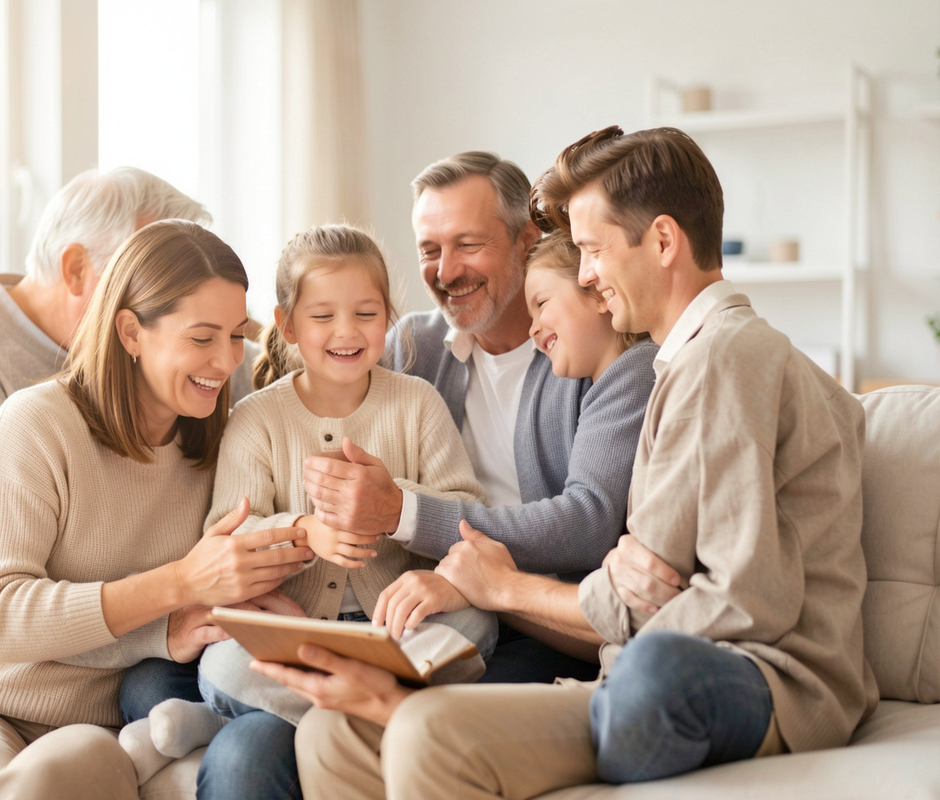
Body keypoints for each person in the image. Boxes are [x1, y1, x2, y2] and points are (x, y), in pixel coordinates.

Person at [259, 126, 877, 798]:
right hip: (634, 671)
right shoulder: (686, 365)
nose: (583, 273)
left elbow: (730, 600)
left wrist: (508, 587)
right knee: (330, 734)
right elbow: (643, 581)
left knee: (434, 728)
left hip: (751, 682)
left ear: (662, 242)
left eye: (592, 251)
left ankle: (417, 715)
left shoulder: (723, 359)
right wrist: (620, 579)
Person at [0, 220, 314, 800]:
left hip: (95, 727)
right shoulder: (37, 424)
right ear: (131, 332)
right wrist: (180, 583)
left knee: (85, 760)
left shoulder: (221, 444)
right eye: (202, 338)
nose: (225, 361)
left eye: (236, 336)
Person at [120, 224, 494, 800]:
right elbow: (228, 532)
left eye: (366, 314)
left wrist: (392, 505)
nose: (346, 331)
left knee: (478, 627)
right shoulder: (255, 418)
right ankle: (376, 709)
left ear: (388, 319)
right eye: (323, 317)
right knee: (222, 666)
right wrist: (305, 531)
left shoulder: (417, 403)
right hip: (294, 634)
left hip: (396, 630)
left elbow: (468, 517)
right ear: (288, 325)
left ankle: (219, 719)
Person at [0, 168, 215, 722]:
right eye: (150, 279)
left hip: (120, 640)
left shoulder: (159, 355)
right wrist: (167, 617)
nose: (172, 305)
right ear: (76, 269)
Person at [302, 151, 655, 682]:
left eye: (468, 245)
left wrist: (403, 514)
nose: (445, 272)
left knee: (417, 709)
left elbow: (588, 522)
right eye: (429, 250)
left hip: (544, 621)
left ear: (526, 240)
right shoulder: (410, 347)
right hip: (431, 605)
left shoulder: (596, 350)